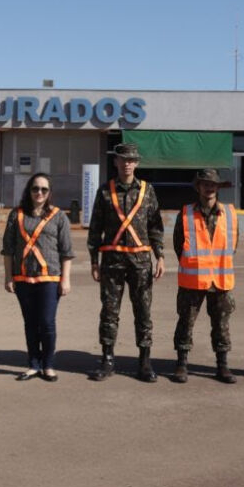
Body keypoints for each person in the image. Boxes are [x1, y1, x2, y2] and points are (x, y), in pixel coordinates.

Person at [87, 143, 165, 383]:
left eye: (132, 160)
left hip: (141, 263)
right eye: (123, 159)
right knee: (109, 312)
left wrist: (160, 255)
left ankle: (144, 361)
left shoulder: (147, 190)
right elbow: (95, 229)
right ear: (116, 162)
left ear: (137, 163)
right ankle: (108, 359)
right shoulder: (104, 191)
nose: (127, 163)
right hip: (112, 263)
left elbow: (155, 226)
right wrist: (93, 261)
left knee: (143, 312)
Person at [2, 173, 73, 382]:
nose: (39, 193)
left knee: (47, 322)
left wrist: (65, 279)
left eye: (44, 189)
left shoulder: (59, 216)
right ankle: (33, 364)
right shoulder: (17, 214)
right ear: (29, 190)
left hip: (50, 279)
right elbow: (8, 250)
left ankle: (48, 365)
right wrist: (9, 277)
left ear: (49, 193)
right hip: (23, 278)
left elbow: (66, 251)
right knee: (30, 323)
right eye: (35, 188)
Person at [172, 169, 238, 384]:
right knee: (185, 324)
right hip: (193, 281)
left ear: (218, 188)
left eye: (213, 184)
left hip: (220, 281)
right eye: (205, 184)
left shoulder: (229, 214)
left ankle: (222, 365)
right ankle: (182, 364)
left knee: (221, 325)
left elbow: (233, 245)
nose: (209, 188)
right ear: (198, 187)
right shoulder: (186, 213)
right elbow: (178, 245)